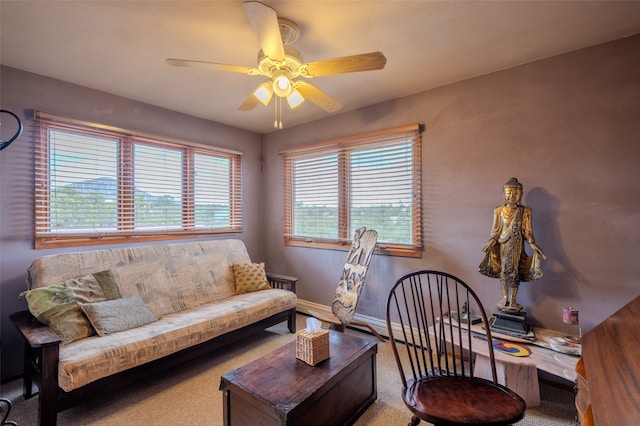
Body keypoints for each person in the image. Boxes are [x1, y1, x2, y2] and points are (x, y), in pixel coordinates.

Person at [479, 178, 547, 314]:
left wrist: (532, 243)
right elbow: (496, 230)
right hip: (503, 245)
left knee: (514, 272)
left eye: (515, 193)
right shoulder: (499, 210)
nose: (512, 196)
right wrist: (492, 240)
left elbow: (527, 231)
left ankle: (513, 299)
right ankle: (505, 298)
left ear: (520, 194)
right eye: (509, 193)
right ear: (503, 194)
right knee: (503, 271)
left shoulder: (526, 211)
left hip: (517, 245)